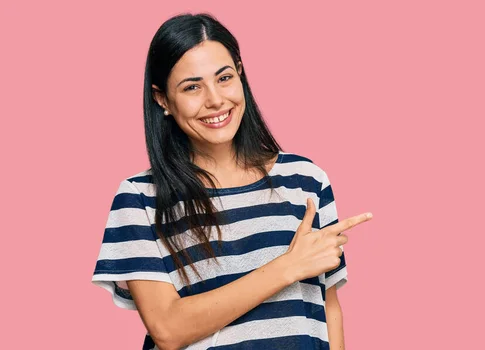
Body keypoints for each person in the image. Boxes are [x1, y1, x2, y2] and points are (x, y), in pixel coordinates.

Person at [91, 13, 372, 350]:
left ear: (240, 73)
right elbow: (167, 328)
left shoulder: (305, 181)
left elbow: (327, 309)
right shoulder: (141, 199)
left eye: (224, 78)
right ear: (162, 99)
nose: (215, 100)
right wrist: (288, 267)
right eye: (192, 87)